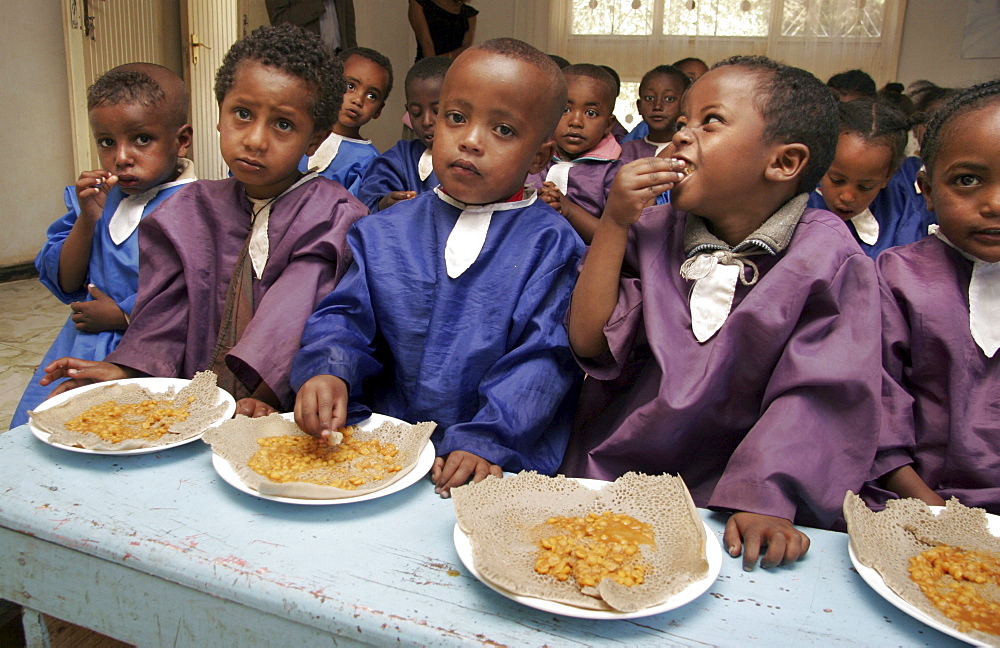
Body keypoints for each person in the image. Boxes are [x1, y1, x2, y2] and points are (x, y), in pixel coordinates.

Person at [561, 56, 881, 570]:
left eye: (709, 122)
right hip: (615, 474)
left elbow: (818, 395)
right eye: (683, 123)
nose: (683, 136)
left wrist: (764, 496)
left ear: (783, 163)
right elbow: (590, 343)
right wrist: (616, 222)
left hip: (739, 497)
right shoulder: (654, 229)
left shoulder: (827, 256)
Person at [292, 38, 585, 497]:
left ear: (539, 158)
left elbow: (543, 359)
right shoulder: (384, 231)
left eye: (503, 129)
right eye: (456, 118)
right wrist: (329, 370)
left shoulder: (552, 244)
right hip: (383, 447)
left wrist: (487, 440)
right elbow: (345, 317)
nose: (470, 139)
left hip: (494, 462)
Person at [38, 24, 367, 417]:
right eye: (242, 114)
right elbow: (167, 309)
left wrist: (265, 394)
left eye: (282, 124)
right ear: (219, 115)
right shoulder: (190, 208)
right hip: (192, 400)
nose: (255, 140)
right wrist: (128, 368)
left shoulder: (332, 214)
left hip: (285, 402)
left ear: (314, 139)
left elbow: (296, 307)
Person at [10, 64, 195, 428]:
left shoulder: (199, 207)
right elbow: (65, 280)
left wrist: (125, 315)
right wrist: (87, 218)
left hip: (150, 353)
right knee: (45, 424)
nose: (121, 156)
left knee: (128, 435)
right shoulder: (98, 199)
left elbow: (199, 293)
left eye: (142, 139)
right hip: (81, 345)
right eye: (107, 141)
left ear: (182, 139)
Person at [862, 79, 1000, 515]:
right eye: (968, 180)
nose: (995, 202)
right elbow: (877, 423)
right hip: (910, 505)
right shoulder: (897, 279)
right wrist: (940, 517)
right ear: (927, 189)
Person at [807, 98, 917, 258]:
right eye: (837, 180)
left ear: (887, 176)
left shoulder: (902, 216)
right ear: (823, 161)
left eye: (865, 187)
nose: (847, 197)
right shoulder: (796, 205)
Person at [527, 63, 623, 244]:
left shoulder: (614, 174)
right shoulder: (530, 159)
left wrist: (568, 210)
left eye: (591, 113)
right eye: (565, 110)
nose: (576, 122)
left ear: (609, 125)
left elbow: (615, 240)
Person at [356, 56, 449, 213]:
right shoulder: (400, 158)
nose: (426, 121)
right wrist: (383, 203)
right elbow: (370, 194)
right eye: (416, 113)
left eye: (437, 111)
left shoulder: (476, 155)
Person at [300, 47, 391, 197]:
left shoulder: (369, 161)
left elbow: (352, 211)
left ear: (378, 110)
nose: (358, 100)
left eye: (371, 96)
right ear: (330, 84)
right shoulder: (302, 133)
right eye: (350, 86)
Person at [619, 65, 690, 163]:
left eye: (669, 99)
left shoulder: (691, 149)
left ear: (685, 105)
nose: (657, 106)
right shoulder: (626, 151)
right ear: (639, 106)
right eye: (649, 98)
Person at [408, 0, 477, 62]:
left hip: (456, 68)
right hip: (427, 68)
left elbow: (465, 48)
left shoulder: (468, 12)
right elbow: (426, 44)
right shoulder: (420, 3)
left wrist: (445, 58)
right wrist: (434, 64)